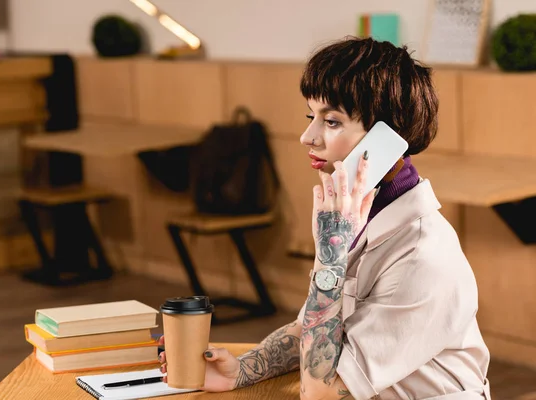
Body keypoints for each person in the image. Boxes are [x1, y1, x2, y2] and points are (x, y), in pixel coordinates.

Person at [158, 37, 491, 399]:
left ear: (385, 139)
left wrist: (329, 256)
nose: (306, 137)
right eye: (310, 117)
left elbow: (320, 392)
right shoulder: (359, 216)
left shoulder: (422, 256)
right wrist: (241, 370)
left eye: (331, 121)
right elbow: (313, 329)